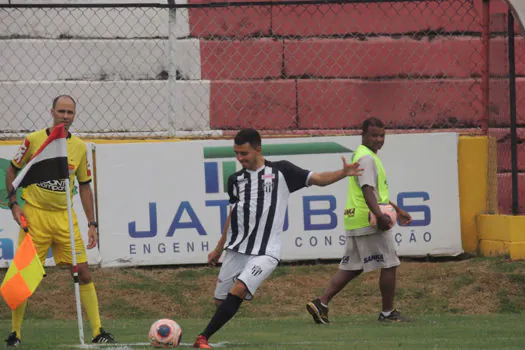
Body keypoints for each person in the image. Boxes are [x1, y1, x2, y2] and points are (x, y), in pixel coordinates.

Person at [192, 128, 363, 348]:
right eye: (236, 153)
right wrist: (219, 248)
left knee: (240, 289)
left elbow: (318, 179)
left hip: (267, 251)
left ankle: (202, 337)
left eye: (244, 153)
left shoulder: (282, 171)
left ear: (258, 149)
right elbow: (234, 215)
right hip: (236, 250)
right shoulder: (235, 180)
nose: (239, 158)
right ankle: (209, 330)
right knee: (220, 301)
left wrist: (342, 173)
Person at [4, 95, 115, 347]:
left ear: (75, 115)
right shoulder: (33, 140)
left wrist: (92, 224)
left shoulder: (79, 146)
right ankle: (15, 333)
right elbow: (11, 170)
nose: (66, 116)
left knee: (83, 271)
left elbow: (85, 186)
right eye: (62, 111)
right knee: (25, 277)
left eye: (70, 113)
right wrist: (14, 205)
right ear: (52, 111)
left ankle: (98, 331)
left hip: (65, 218)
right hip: (35, 217)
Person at [306, 117, 413, 325]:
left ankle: (321, 303)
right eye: (373, 135)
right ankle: (388, 313)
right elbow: (367, 190)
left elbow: (374, 190)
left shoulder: (365, 156)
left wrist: (397, 209)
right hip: (369, 219)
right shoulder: (367, 158)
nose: (378, 139)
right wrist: (379, 216)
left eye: (382, 135)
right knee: (390, 263)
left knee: (352, 267)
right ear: (363, 135)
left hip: (356, 218)